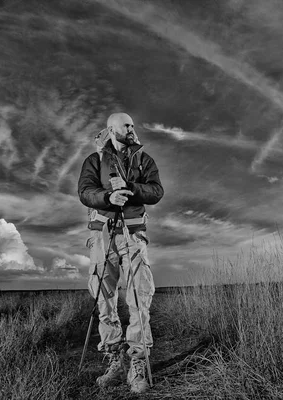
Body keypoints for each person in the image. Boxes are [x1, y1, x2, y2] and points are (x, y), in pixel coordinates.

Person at [77, 112, 164, 394]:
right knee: (104, 299)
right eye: (127, 125)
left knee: (139, 295)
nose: (132, 128)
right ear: (111, 128)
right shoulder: (94, 160)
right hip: (102, 235)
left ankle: (138, 362)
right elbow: (85, 192)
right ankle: (114, 360)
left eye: (133, 125)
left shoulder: (144, 159)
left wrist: (129, 188)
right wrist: (108, 197)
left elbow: (156, 191)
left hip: (134, 235)